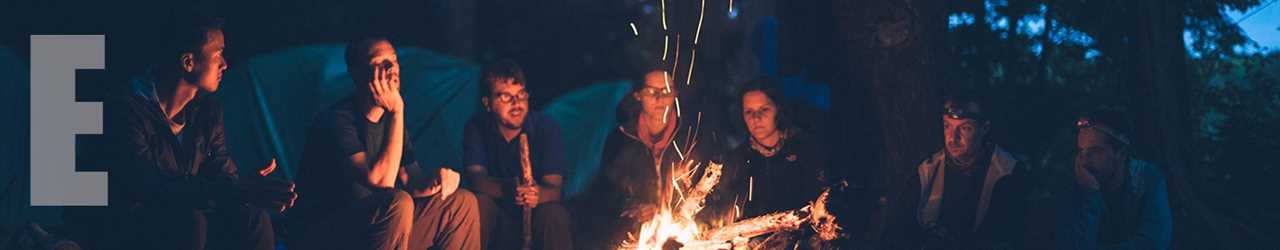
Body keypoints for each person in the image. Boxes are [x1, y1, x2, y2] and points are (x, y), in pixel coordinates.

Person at [103, 16, 295, 250]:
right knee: (188, 221)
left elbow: (220, 171)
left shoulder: (207, 110)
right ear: (188, 62)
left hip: (191, 216)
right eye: (217, 54)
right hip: (135, 224)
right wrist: (234, 189)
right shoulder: (129, 110)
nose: (225, 63)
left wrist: (245, 188)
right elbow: (147, 187)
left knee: (252, 217)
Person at [290, 37, 480, 250]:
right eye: (379, 62)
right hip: (329, 235)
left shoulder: (391, 122)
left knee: (462, 203)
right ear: (357, 73)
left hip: (379, 231)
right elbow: (380, 181)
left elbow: (411, 179)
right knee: (397, 202)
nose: (391, 68)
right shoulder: (336, 120)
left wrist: (438, 179)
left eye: (394, 60)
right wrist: (397, 110)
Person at [572, 66, 712, 249]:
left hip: (683, 225)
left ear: (675, 95)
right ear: (638, 96)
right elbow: (607, 191)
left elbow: (709, 187)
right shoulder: (621, 139)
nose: (659, 98)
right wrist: (633, 205)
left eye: (666, 91)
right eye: (651, 91)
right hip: (635, 230)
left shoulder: (690, 137)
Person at [888, 94, 1031, 249]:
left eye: (965, 128)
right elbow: (897, 232)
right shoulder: (927, 171)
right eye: (947, 126)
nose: (952, 138)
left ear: (984, 128)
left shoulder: (1007, 172)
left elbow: (1010, 236)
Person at [462, 59, 573, 250]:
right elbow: (475, 179)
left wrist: (536, 194)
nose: (516, 103)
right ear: (487, 103)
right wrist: (509, 190)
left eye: (521, 95)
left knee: (554, 214)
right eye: (506, 97)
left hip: (537, 213)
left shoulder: (546, 128)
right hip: (497, 213)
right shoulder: (477, 127)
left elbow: (555, 188)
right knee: (477, 205)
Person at [710, 77, 830, 248]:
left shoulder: (805, 151)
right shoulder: (736, 161)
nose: (756, 118)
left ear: (778, 110)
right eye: (749, 112)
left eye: (764, 110)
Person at [1067, 110, 1172, 249]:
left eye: (1095, 151)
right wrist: (1089, 195)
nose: (1084, 161)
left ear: (1121, 154)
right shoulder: (1079, 182)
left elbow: (1154, 244)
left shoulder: (1146, 178)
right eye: (1081, 151)